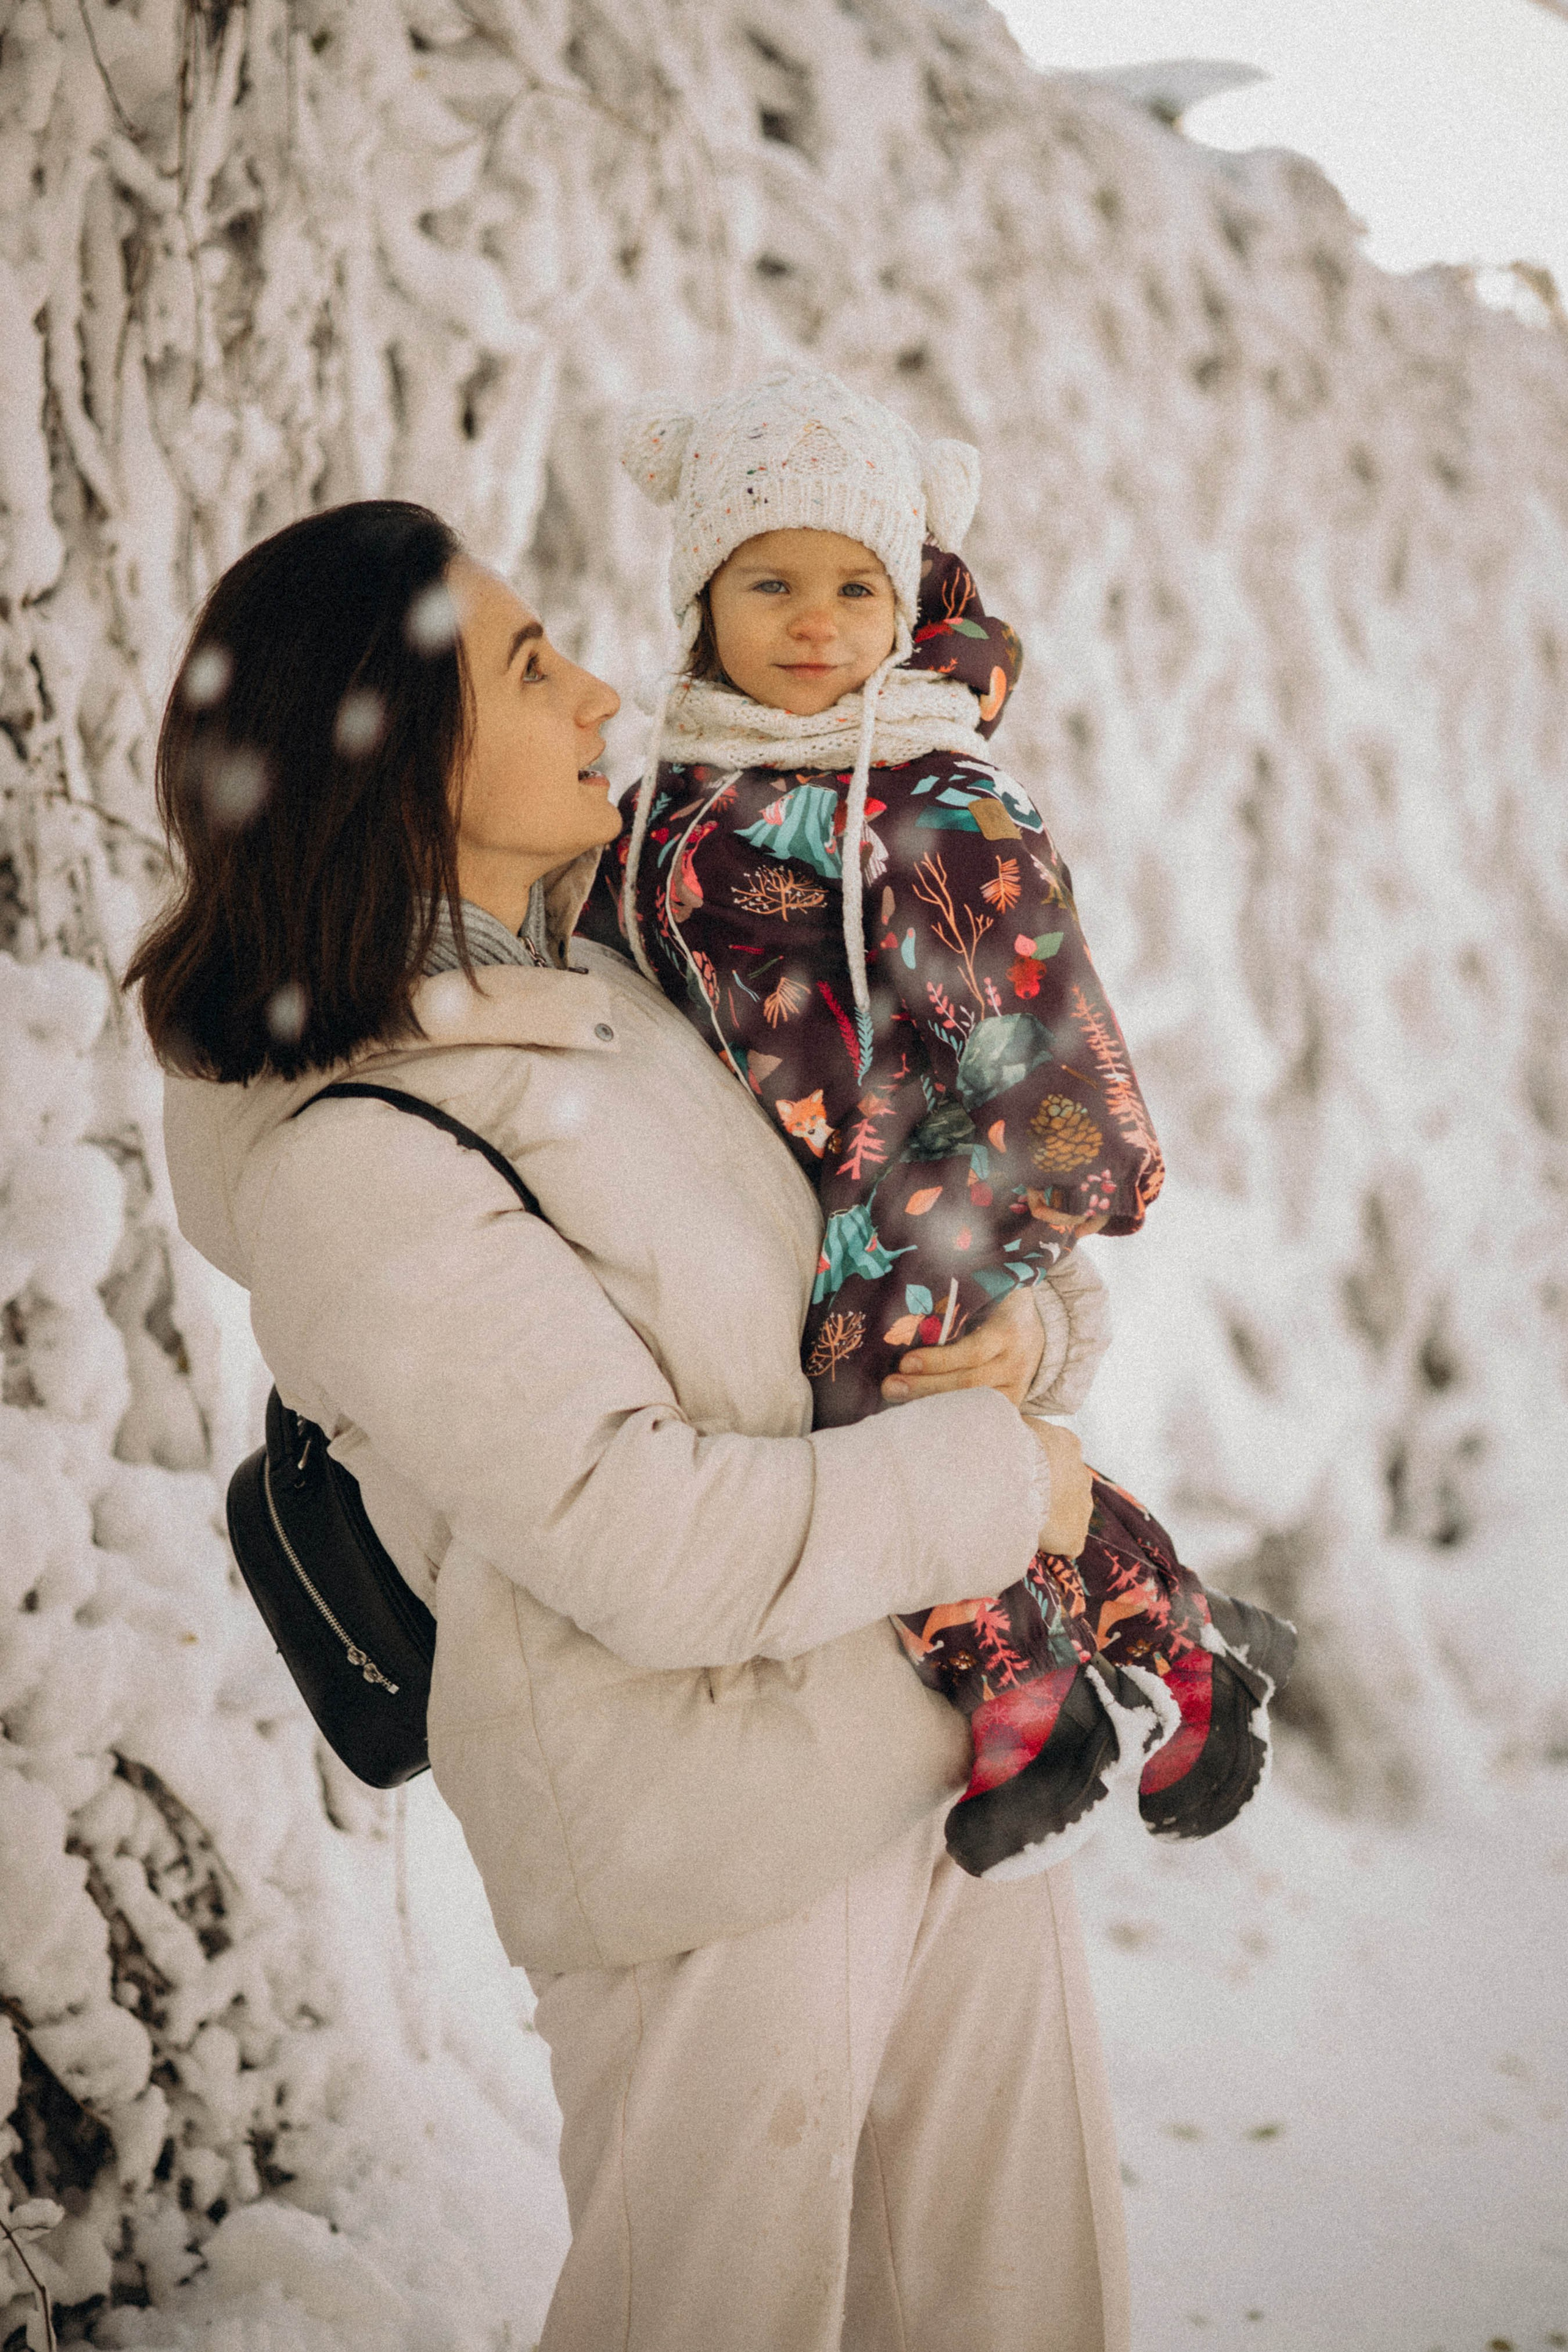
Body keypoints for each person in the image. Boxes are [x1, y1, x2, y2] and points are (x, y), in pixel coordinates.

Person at [128, 499, 1133, 2351]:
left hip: (935, 1761)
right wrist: (1001, 1482)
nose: (601, 686)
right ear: (394, 754)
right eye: (529, 666)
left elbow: (869, 1250)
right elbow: (646, 1544)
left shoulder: (611, 985)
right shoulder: (362, 1157)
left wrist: (1025, 1329)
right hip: (712, 1874)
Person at [584, 368, 1297, 1877]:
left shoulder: (926, 795)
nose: (816, 622)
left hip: (989, 1148)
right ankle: (1176, 1641)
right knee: (888, 1395)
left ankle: (1032, 1687)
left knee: (875, 1392)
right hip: (845, 1183)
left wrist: (996, 1232)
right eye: (767, 580)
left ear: (906, 596)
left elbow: (1031, 1038)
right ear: (697, 595)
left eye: (857, 584)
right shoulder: (678, 794)